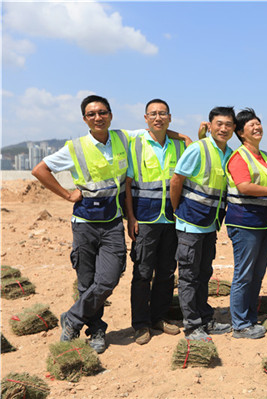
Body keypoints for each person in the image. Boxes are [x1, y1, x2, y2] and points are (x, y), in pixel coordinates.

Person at [31, 95, 189, 353]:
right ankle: (95, 330)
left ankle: (72, 317)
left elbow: (156, 126)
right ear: (85, 119)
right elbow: (39, 170)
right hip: (85, 223)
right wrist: (68, 194)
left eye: (102, 112)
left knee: (109, 278)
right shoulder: (76, 147)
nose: (98, 117)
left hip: (113, 222)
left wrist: (183, 136)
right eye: (91, 114)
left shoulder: (122, 138)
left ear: (111, 115)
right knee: (87, 281)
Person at [170, 106, 236, 341]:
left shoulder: (229, 153)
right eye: (219, 123)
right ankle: (192, 325)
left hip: (210, 224)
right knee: (188, 275)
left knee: (203, 273)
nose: (224, 128)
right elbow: (176, 179)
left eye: (228, 125)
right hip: (190, 223)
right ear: (210, 125)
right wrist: (177, 209)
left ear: (234, 128)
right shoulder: (199, 149)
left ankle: (205, 319)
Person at [225, 108, 267, 339]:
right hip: (245, 223)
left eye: (258, 123)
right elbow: (244, 186)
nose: (257, 127)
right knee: (244, 274)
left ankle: (251, 317)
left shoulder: (265, 157)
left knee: (257, 273)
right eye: (251, 125)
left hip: (265, 223)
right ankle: (240, 324)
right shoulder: (238, 157)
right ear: (241, 133)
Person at [125, 99, 185, 345]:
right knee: (141, 272)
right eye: (153, 114)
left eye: (163, 114)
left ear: (170, 118)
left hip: (171, 219)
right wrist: (130, 218)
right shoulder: (134, 144)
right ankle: (140, 324)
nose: (158, 117)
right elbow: (127, 185)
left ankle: (159, 317)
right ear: (145, 118)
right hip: (145, 218)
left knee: (167, 271)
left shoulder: (179, 147)